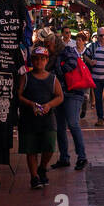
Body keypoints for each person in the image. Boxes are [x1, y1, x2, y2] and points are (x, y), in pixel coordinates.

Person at [18, 45, 63, 189]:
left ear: (46, 60)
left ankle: (42, 167)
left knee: (49, 146)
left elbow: (60, 96)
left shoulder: (52, 78)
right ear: (32, 60)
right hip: (29, 120)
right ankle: (34, 177)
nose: (39, 62)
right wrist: (31, 104)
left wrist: (49, 105)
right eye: (36, 59)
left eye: (42, 59)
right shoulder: (26, 77)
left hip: (47, 119)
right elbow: (18, 95)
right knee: (31, 149)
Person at [50, 28, 89, 171]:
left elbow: (72, 64)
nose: (48, 46)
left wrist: (56, 72)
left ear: (54, 43)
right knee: (60, 127)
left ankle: (82, 157)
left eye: (49, 43)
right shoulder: (51, 55)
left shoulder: (67, 51)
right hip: (60, 94)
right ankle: (64, 157)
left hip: (73, 92)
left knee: (73, 123)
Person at [87, 27, 104, 126]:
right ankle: (100, 118)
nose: (103, 37)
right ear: (97, 36)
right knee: (98, 99)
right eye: (101, 35)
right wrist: (90, 61)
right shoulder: (93, 46)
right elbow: (85, 55)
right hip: (96, 77)